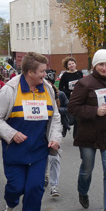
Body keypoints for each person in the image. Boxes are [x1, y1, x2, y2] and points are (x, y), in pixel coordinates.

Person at [0, 52, 62, 211]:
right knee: (16, 187)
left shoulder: (48, 89)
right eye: (42, 71)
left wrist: (55, 138)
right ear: (30, 72)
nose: (45, 75)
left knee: (35, 186)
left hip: (38, 150)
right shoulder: (10, 89)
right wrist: (12, 134)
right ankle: (11, 204)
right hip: (15, 150)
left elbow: (55, 117)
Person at [68, 49, 106, 211]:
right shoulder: (84, 84)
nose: (104, 68)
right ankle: (83, 191)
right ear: (94, 65)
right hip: (88, 134)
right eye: (101, 64)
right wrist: (94, 111)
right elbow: (72, 108)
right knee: (87, 169)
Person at [44, 69, 63, 197]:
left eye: (50, 83)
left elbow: (60, 113)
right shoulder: (36, 94)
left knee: (55, 159)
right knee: (43, 159)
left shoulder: (58, 95)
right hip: (40, 134)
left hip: (52, 132)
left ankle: (54, 186)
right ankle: (44, 176)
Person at [58, 57, 84, 137]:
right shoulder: (65, 75)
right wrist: (70, 92)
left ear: (75, 64)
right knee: (70, 118)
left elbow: (83, 84)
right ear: (67, 66)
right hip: (69, 98)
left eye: (73, 63)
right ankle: (65, 126)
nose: (72, 65)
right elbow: (61, 88)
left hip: (79, 97)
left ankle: (75, 135)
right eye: (69, 64)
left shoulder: (79, 73)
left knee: (78, 118)